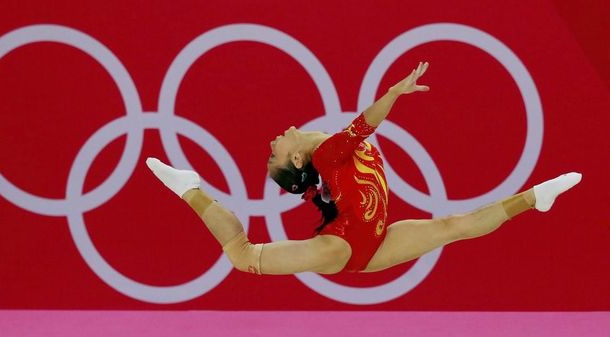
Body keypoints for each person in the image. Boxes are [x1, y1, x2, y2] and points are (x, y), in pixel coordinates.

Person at [145, 62, 581, 275]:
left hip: (371, 243)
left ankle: (534, 198)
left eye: (271, 150)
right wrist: (394, 92)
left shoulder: (323, 154)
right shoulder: (326, 154)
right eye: (274, 152)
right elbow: (364, 124)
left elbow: (356, 132)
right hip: (343, 248)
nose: (273, 141)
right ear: (299, 160)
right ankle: (190, 189)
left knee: (455, 225)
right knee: (242, 256)